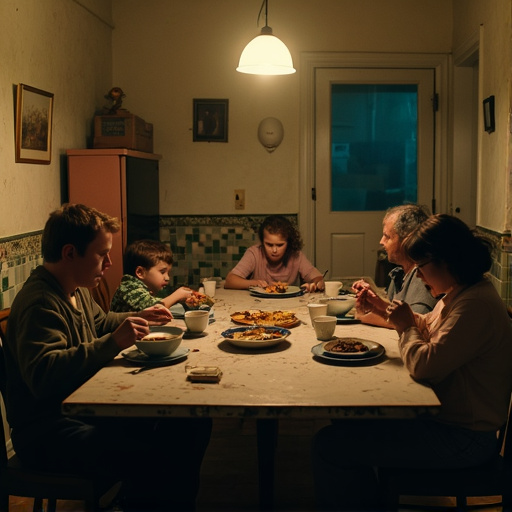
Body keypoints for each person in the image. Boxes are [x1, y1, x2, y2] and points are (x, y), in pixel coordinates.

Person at [3, 204, 212, 511]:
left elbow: (100, 323)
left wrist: (140, 316)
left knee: (190, 422)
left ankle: (140, 501)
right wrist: (113, 342)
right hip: (50, 432)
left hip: (84, 411)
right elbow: (45, 376)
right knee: (157, 453)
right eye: (102, 254)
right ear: (70, 253)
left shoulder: (75, 287)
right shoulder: (41, 302)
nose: (110, 262)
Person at [312, 214, 512, 510]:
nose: (417, 276)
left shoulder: (475, 306)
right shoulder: (460, 293)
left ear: (447, 260)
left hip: (463, 439)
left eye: (421, 267)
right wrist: (384, 308)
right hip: (450, 424)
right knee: (347, 421)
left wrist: (405, 326)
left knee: (330, 445)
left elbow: (424, 364)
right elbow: (426, 325)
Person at [352, 204, 437, 328]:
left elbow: (415, 323)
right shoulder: (400, 273)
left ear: (408, 240)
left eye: (387, 236)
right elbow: (397, 313)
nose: (381, 241)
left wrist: (363, 317)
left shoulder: (422, 276)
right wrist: (375, 300)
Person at [224, 215, 325, 292]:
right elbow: (229, 281)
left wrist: (315, 285)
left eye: (280, 245)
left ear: (288, 243)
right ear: (262, 242)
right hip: (257, 306)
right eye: (269, 245)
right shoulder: (254, 253)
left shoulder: (296, 255)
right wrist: (253, 283)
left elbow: (318, 277)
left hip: (290, 306)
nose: (274, 250)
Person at [110, 238, 194, 312]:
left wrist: (180, 299)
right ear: (140, 272)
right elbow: (154, 308)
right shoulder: (129, 288)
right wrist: (177, 295)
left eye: (168, 273)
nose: (167, 278)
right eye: (162, 272)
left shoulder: (144, 289)